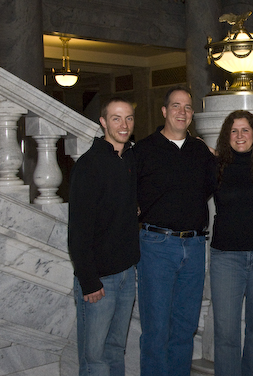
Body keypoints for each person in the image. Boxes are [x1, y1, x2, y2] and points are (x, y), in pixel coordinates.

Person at [134, 85, 216, 376]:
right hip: (157, 245)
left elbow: (220, 179)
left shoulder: (200, 151)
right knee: (156, 329)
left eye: (188, 107)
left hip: (194, 247)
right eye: (176, 106)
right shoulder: (143, 150)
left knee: (185, 328)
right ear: (164, 111)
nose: (182, 112)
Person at [68, 97, 140, 376]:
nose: (124, 125)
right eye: (116, 118)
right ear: (103, 122)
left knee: (115, 349)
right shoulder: (89, 165)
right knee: (94, 358)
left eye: (129, 118)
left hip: (126, 274)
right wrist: (89, 281)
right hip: (99, 280)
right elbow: (78, 230)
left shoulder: (130, 158)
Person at [210, 110, 253, 376]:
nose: (240, 136)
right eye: (234, 131)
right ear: (226, 135)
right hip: (226, 258)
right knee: (226, 332)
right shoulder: (215, 166)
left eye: (245, 130)